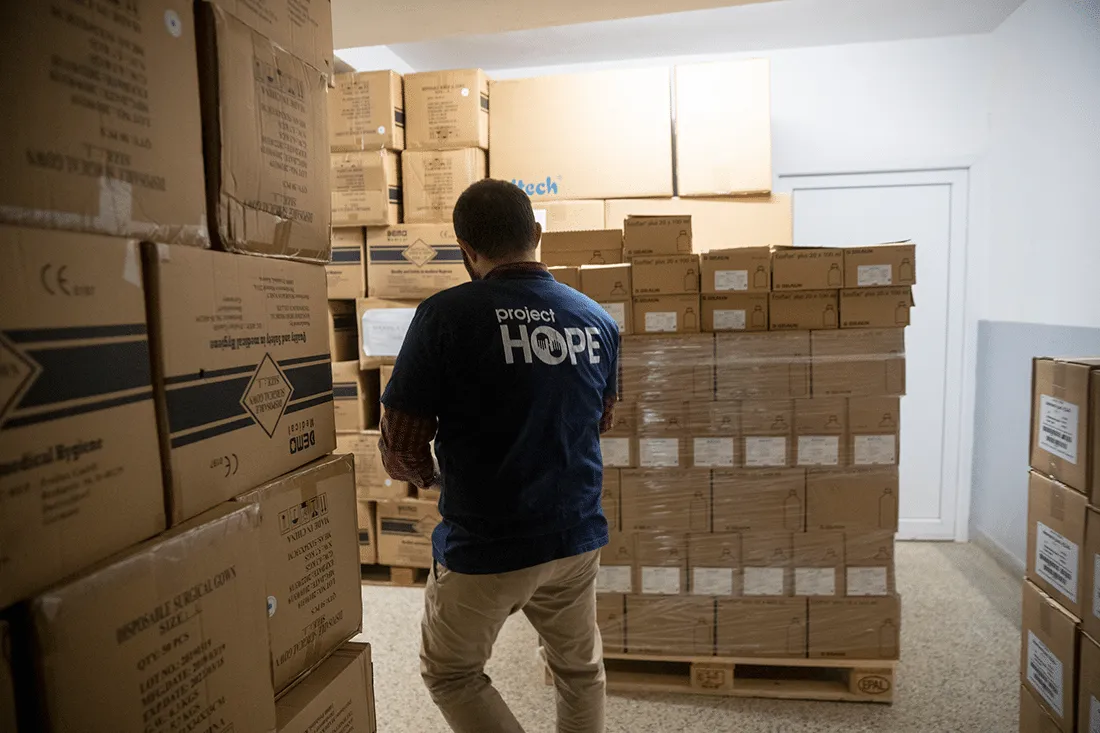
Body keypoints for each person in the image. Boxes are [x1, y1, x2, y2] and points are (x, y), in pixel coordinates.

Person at [378, 179, 620, 733]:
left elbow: (402, 448)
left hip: (488, 545)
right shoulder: (597, 321)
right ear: (536, 235)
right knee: (579, 671)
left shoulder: (445, 316)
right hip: (575, 538)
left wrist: (437, 479)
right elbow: (601, 420)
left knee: (451, 672)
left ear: (465, 249)